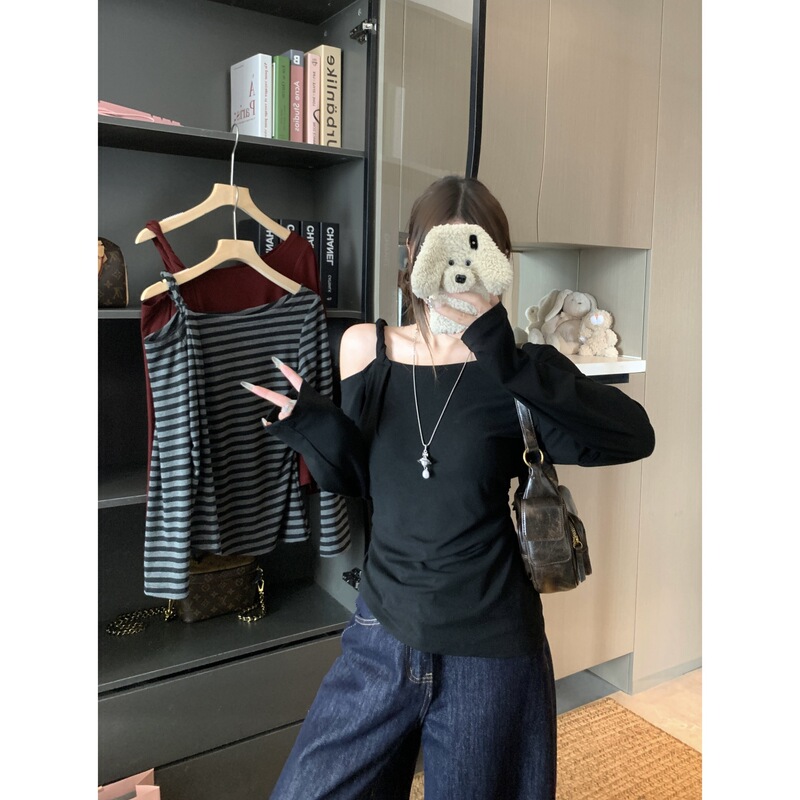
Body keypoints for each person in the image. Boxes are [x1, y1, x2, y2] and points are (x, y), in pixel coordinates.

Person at [242, 175, 655, 800]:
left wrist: (502, 355)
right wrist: (311, 428)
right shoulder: (366, 348)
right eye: (443, 250)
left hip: (490, 651)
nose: (458, 273)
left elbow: (633, 437)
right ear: (413, 254)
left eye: (477, 253)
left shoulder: (518, 368)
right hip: (381, 633)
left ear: (500, 265)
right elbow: (361, 480)